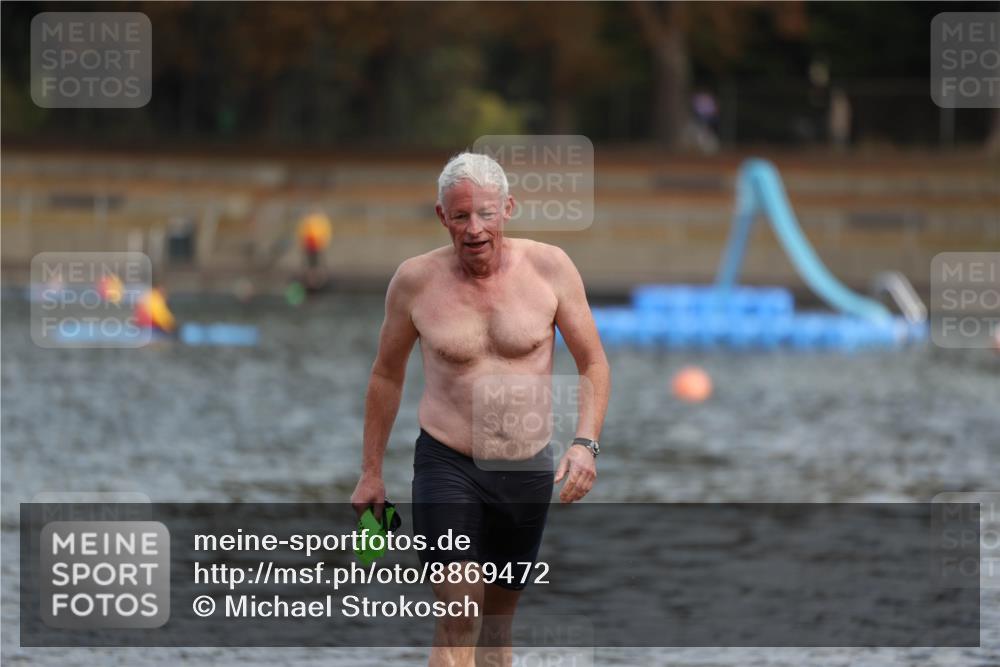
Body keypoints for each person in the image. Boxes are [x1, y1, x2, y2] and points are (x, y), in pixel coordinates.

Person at [351, 152, 610, 667]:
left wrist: (585, 444)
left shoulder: (550, 268)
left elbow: (593, 362)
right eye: (461, 216)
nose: (474, 229)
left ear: (508, 208)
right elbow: (386, 374)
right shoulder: (414, 282)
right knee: (460, 613)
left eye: (486, 214)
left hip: (527, 466)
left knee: (495, 627)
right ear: (442, 216)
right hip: (448, 462)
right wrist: (371, 473)